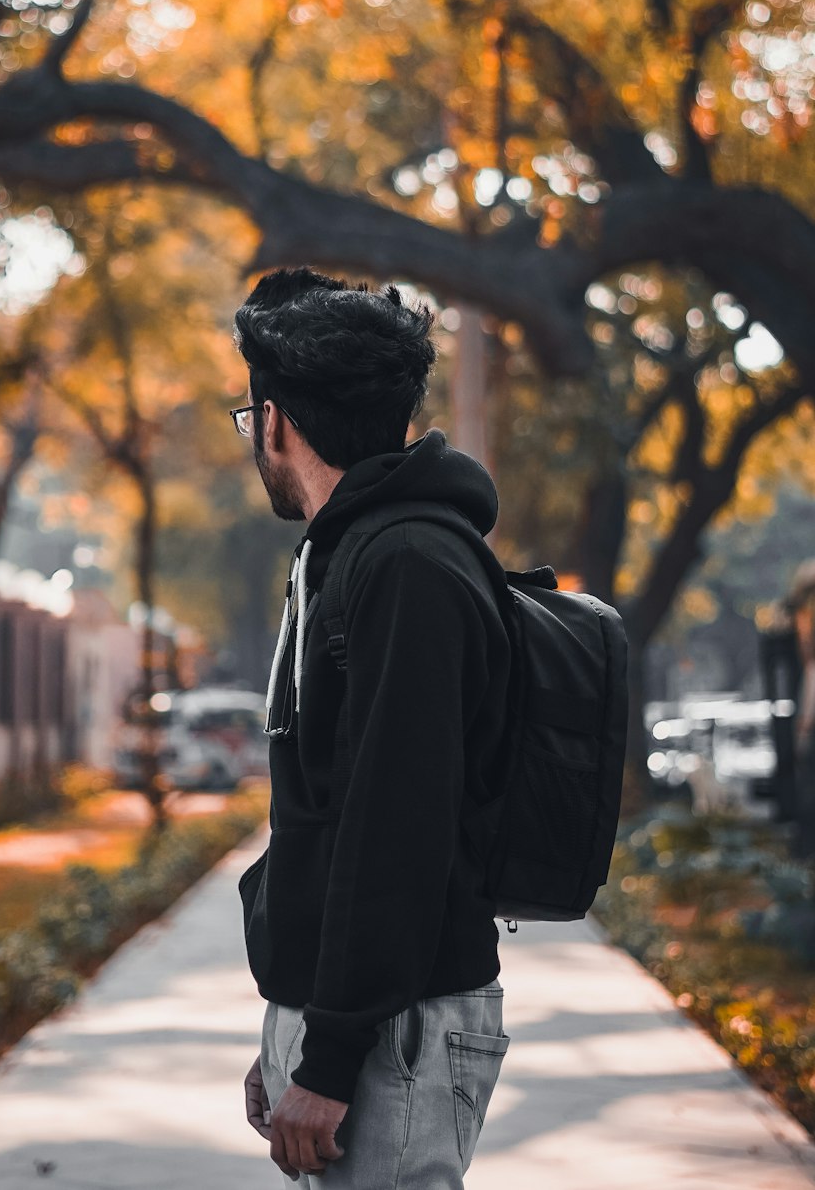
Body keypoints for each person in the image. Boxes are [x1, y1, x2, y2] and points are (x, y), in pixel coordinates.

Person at [232, 269, 514, 1188]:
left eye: (249, 421)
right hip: (363, 1026)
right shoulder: (352, 555)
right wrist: (295, 1032)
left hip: (397, 1030)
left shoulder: (407, 564)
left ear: (276, 421)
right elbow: (326, 812)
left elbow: (398, 824)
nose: (253, 441)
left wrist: (329, 1056)